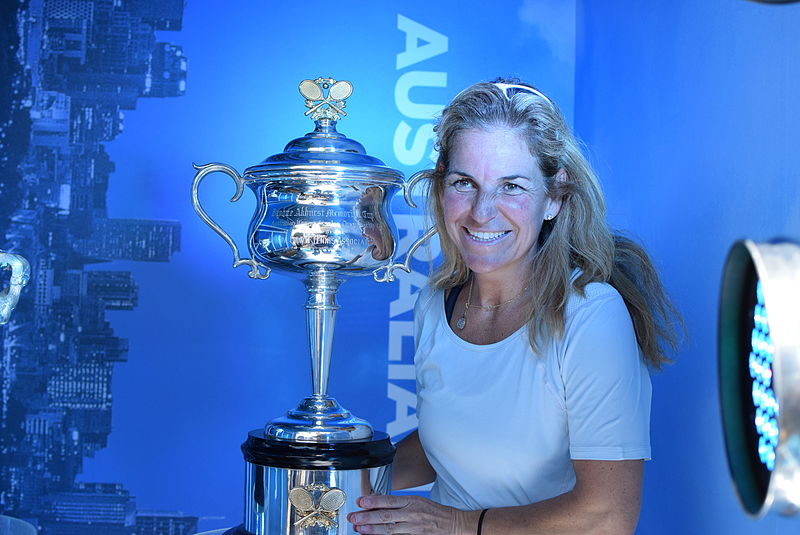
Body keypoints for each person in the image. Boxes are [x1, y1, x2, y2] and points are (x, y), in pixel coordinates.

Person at [347, 80, 682, 535]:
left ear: (555, 197)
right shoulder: (435, 303)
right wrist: (346, 472)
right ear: (441, 186)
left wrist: (457, 525)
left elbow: (607, 516)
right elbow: (455, 442)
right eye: (464, 183)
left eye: (512, 186)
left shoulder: (591, 317)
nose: (483, 211)